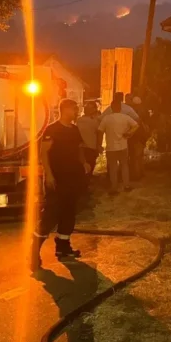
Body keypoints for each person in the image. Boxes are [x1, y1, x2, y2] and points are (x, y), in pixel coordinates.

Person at [32, 98, 89, 271]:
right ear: (64, 110)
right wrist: (48, 175)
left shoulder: (75, 129)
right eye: (74, 108)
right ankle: (33, 252)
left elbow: (79, 148)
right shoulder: (52, 130)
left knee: (69, 213)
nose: (76, 111)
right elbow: (43, 153)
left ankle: (63, 248)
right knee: (50, 215)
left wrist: (84, 163)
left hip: (72, 178)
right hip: (56, 179)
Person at [98, 96, 138, 193]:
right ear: (120, 107)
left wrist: (99, 144)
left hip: (111, 147)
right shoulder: (125, 117)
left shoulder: (106, 118)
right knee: (124, 166)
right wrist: (129, 133)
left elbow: (100, 131)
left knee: (113, 168)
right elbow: (136, 125)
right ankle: (126, 185)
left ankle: (114, 187)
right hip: (123, 146)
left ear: (111, 107)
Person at [76, 101, 102, 181]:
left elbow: (99, 134)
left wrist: (99, 145)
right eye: (85, 107)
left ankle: (87, 180)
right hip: (81, 147)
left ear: (94, 109)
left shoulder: (96, 120)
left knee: (90, 164)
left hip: (91, 146)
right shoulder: (79, 120)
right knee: (81, 165)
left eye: (89, 108)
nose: (86, 109)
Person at [127, 96, 148, 182]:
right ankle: (141, 173)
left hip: (135, 137)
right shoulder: (143, 111)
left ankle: (136, 175)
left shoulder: (133, 113)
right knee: (139, 156)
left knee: (135, 157)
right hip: (141, 137)